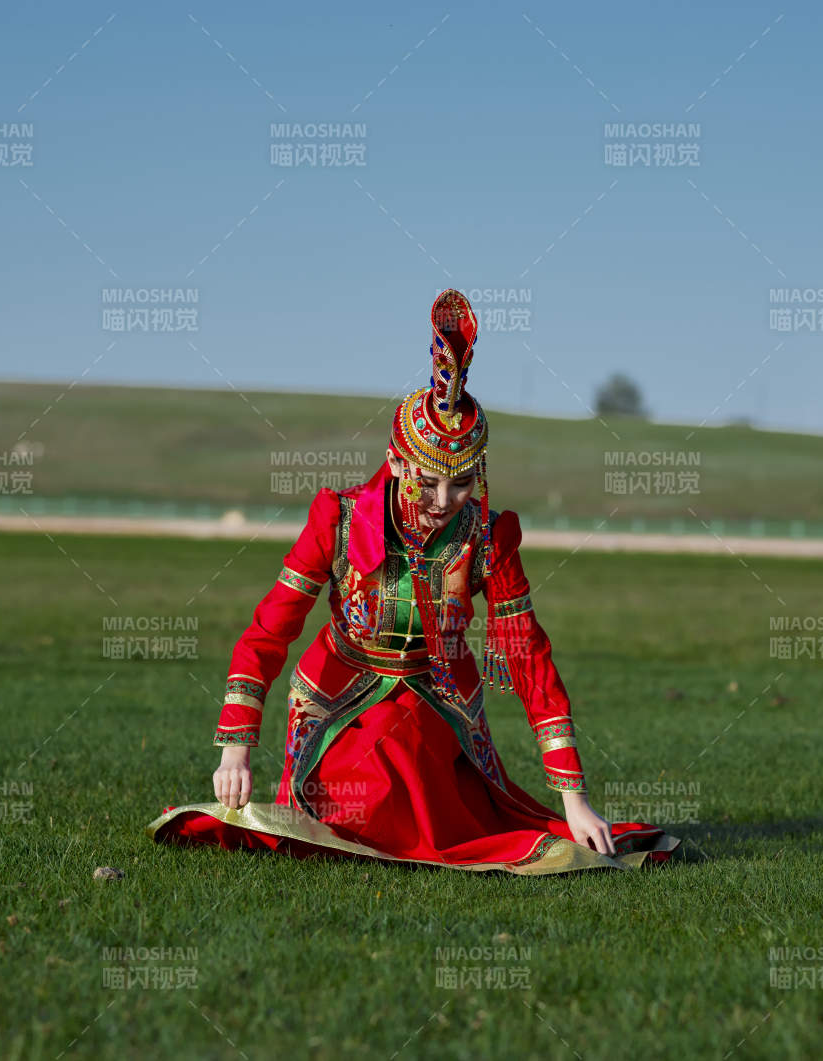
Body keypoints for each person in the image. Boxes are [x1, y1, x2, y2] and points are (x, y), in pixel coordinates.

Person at [147, 289, 680, 875]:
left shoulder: (489, 536)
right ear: (397, 461)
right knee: (361, 798)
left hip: (436, 698)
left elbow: (526, 654)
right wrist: (235, 748)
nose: (444, 503)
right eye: (428, 483)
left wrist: (573, 797)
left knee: (419, 785)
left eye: (461, 486)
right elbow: (268, 632)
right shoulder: (340, 520)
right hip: (341, 697)